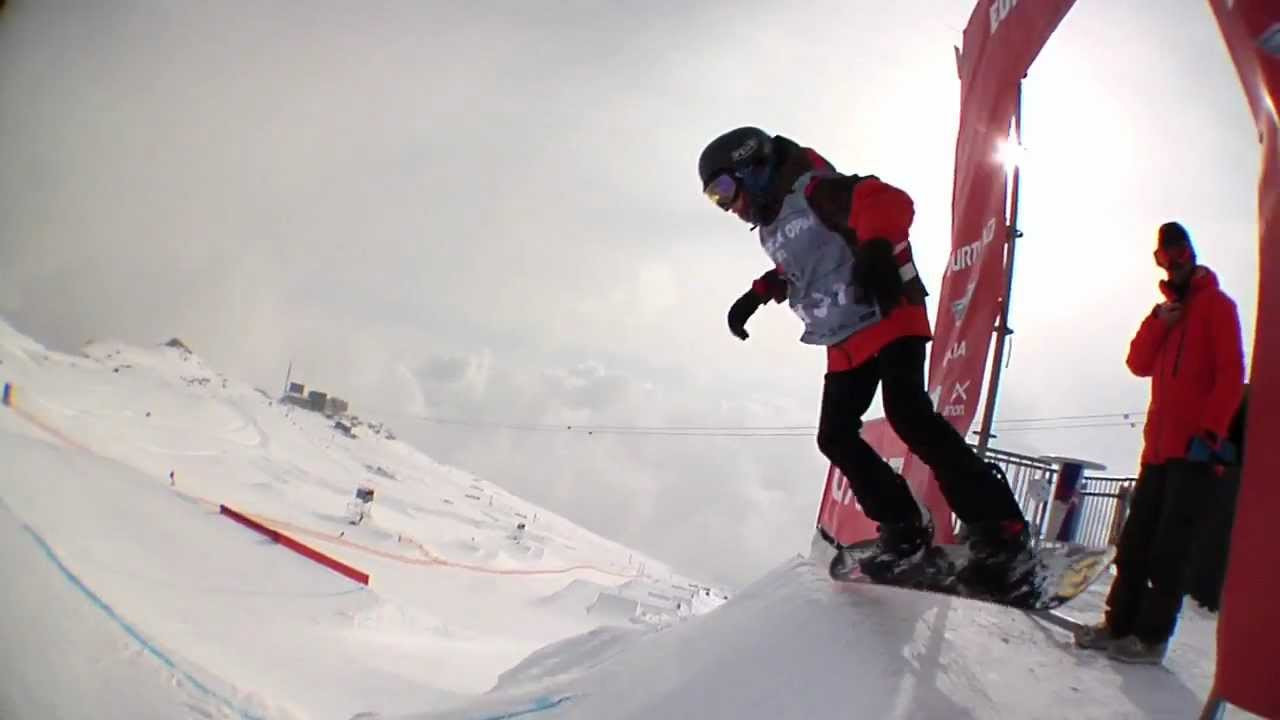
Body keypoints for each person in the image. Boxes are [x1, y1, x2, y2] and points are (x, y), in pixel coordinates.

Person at [698, 126, 1033, 596]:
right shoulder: (773, 225)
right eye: (714, 199)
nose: (727, 206)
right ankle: (903, 526)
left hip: (887, 311)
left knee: (909, 414)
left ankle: (999, 528)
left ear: (754, 169)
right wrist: (756, 295)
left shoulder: (816, 189)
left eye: (724, 190)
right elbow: (804, 264)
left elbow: (888, 201)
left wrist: (876, 247)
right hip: (844, 337)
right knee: (834, 436)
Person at [1074, 221, 1245, 664]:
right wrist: (1157, 322)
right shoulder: (1168, 314)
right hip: (1157, 452)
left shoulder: (1218, 307)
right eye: (1165, 258)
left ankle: (1150, 639)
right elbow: (1137, 363)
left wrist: (1210, 433)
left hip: (1195, 453)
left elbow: (1231, 374)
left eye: (1179, 254)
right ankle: (1118, 626)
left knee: (1171, 548)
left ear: (1191, 253)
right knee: (1135, 544)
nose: (1173, 264)